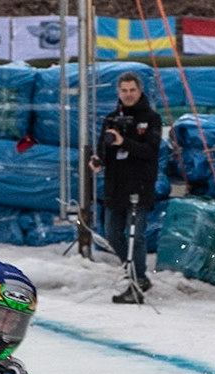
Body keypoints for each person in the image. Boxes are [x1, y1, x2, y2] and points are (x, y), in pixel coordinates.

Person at [87, 71, 162, 305]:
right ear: (118, 92)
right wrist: (98, 160)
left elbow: (150, 151)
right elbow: (103, 150)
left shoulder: (151, 118)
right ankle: (135, 275)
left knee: (136, 237)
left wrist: (124, 143)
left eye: (132, 90)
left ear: (139, 91)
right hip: (115, 185)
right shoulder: (110, 119)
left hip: (139, 184)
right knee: (112, 234)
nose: (128, 95)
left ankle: (138, 279)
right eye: (124, 91)